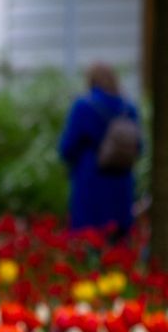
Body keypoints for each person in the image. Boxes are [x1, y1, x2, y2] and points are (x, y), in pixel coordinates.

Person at [58, 64, 142, 241]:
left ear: (91, 81)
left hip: (90, 181)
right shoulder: (129, 108)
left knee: (88, 242)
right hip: (121, 183)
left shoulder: (83, 107)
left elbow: (67, 148)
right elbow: (139, 147)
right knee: (119, 245)